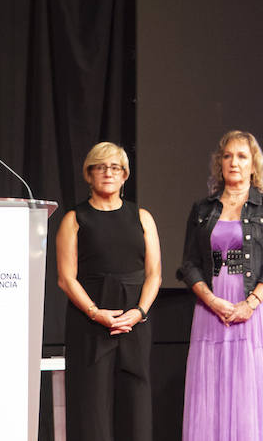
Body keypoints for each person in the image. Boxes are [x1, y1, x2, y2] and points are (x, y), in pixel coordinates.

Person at [179, 130, 263, 441]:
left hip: (255, 312)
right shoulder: (202, 210)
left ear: (253, 164)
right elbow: (189, 265)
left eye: (242, 156)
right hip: (211, 310)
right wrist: (212, 301)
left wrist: (250, 304)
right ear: (220, 163)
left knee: (251, 390)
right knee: (211, 389)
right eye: (227, 156)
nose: (234, 162)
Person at [55, 142, 161, 441]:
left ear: (125, 175)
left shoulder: (142, 217)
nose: (108, 173)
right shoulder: (74, 219)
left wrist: (139, 312)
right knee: (91, 410)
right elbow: (66, 278)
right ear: (88, 175)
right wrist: (94, 312)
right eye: (100, 167)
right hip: (90, 323)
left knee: (135, 406)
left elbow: (154, 274)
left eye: (115, 167)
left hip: (134, 322)